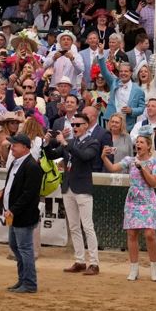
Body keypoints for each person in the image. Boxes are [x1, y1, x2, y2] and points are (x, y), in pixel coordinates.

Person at [101, 126, 156, 281]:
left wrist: (142, 169)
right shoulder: (129, 160)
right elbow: (114, 168)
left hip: (148, 199)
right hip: (133, 199)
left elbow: (153, 182)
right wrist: (104, 158)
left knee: (150, 233)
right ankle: (134, 268)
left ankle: (154, 267)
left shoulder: (155, 162)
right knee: (132, 233)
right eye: (137, 142)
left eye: (141, 142)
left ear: (148, 145)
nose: (138, 145)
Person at [44, 110, 100, 274]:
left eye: (77, 125)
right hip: (68, 186)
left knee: (87, 226)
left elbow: (84, 156)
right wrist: (47, 143)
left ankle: (94, 263)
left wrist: (65, 144)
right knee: (74, 226)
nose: (74, 127)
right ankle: (80, 260)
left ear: (86, 126)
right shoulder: (69, 142)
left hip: (82, 188)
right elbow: (52, 155)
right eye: (73, 124)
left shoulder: (93, 142)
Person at [0, 132, 42, 294]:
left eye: (15, 145)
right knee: (16, 247)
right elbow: (15, 185)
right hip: (15, 214)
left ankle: (29, 282)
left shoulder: (31, 166)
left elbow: (28, 193)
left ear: (24, 147)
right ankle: (23, 279)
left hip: (22, 215)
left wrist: (13, 210)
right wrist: (3, 191)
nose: (12, 147)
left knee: (24, 248)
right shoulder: (19, 163)